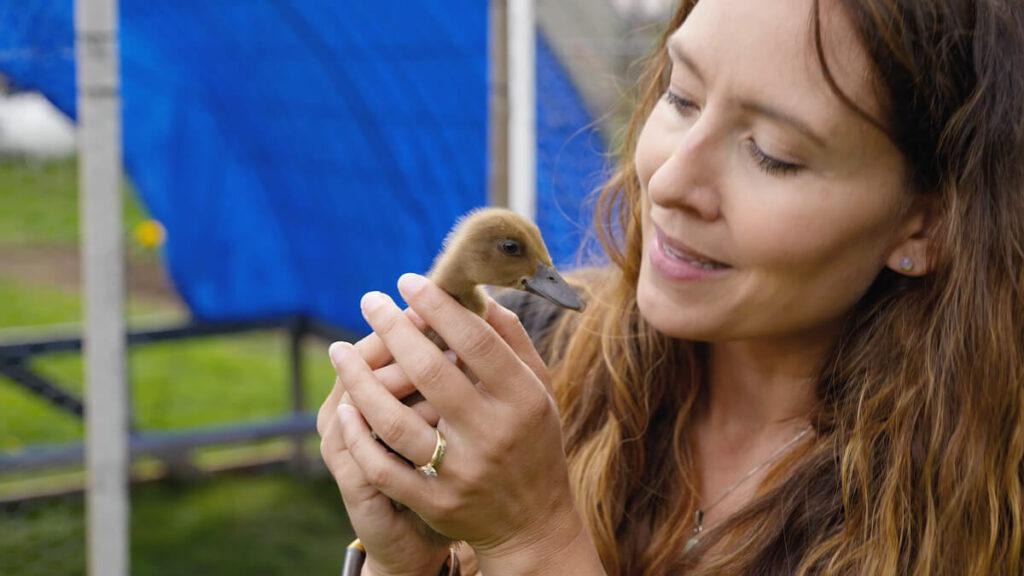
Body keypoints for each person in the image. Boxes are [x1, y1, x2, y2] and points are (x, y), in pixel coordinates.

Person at [317, 0, 1024, 573]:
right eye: (681, 97)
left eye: (772, 155)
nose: (671, 179)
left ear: (924, 225)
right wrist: (404, 562)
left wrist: (532, 543)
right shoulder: (537, 346)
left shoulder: (977, 514)